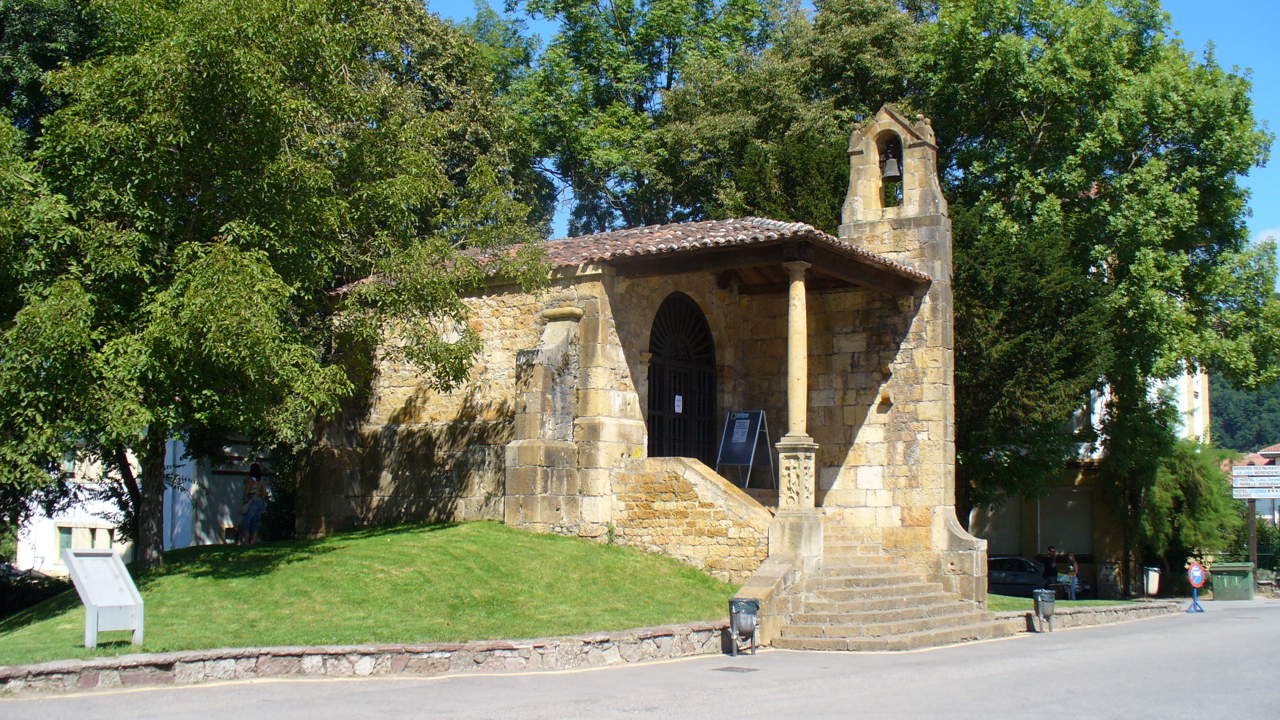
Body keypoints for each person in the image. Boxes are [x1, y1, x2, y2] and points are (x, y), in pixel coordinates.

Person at [240, 463, 269, 545]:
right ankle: (253, 540)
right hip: (260, 501)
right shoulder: (261, 481)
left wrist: (246, 501)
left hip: (252, 501)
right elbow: (264, 494)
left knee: (247, 521)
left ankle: (246, 540)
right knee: (256, 521)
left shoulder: (250, 481)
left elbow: (246, 492)